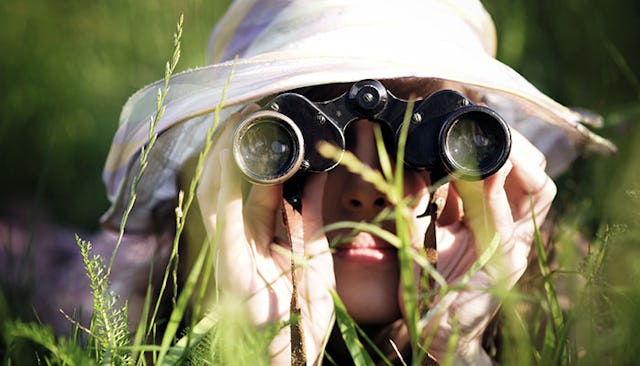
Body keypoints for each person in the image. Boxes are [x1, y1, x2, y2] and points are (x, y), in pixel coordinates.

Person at [101, 0, 616, 364]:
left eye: (437, 145)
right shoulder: (110, 321)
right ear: (233, 172)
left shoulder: (587, 335)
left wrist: (457, 349)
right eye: (294, 147)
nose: (369, 190)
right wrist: (266, 348)